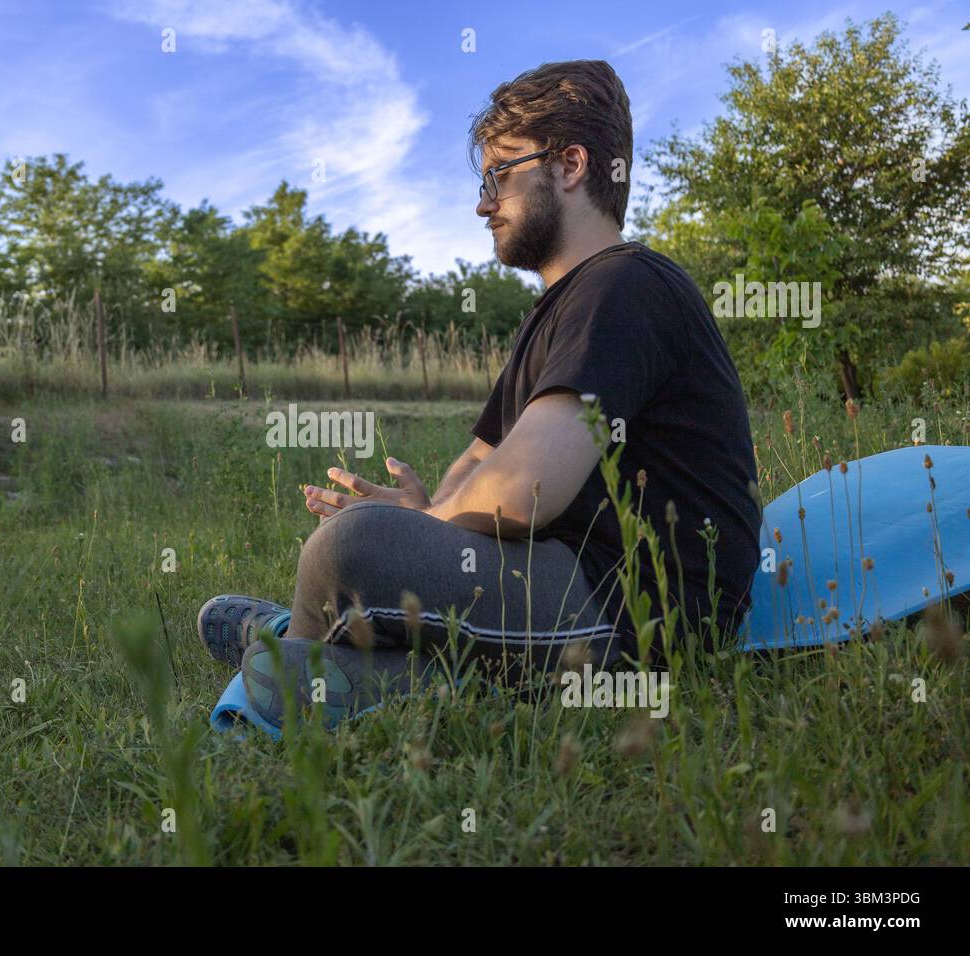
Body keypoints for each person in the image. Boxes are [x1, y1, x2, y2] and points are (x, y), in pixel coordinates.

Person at [199, 60, 760, 725]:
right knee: (363, 540)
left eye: (499, 175)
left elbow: (521, 492)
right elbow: (479, 464)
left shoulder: (627, 287)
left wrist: (418, 526)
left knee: (349, 547)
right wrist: (429, 509)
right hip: (560, 575)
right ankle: (336, 654)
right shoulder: (552, 314)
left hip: (636, 606)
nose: (483, 202)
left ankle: (300, 643)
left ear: (570, 165)